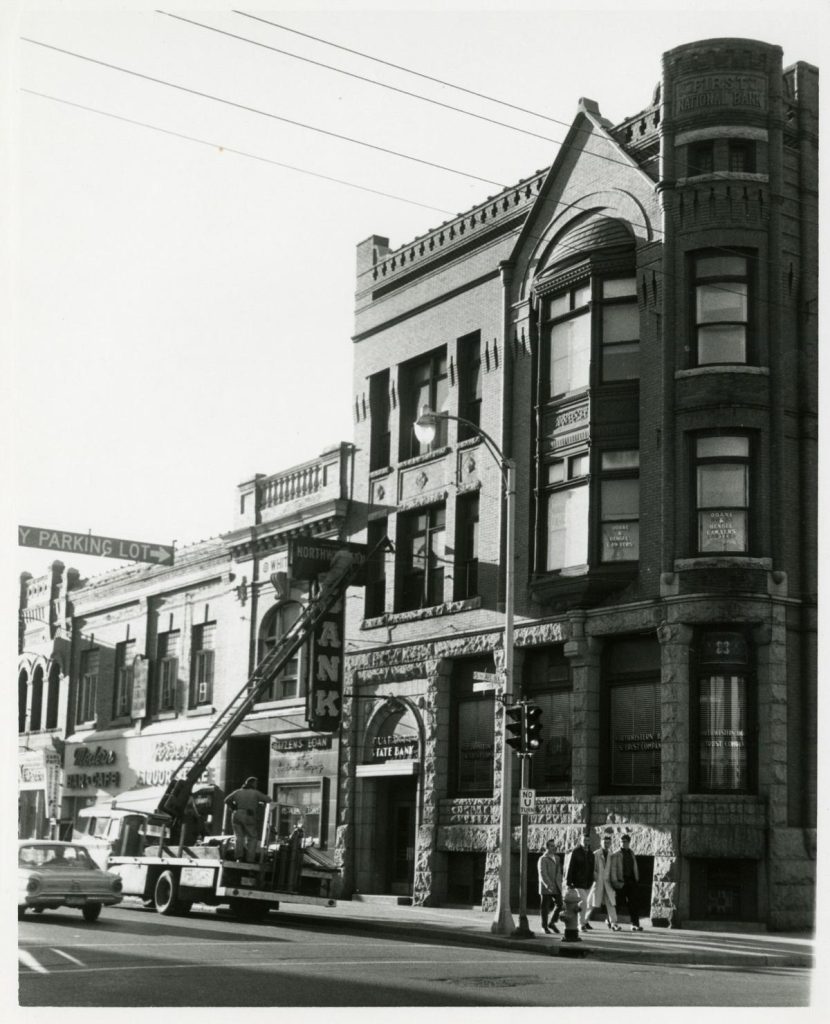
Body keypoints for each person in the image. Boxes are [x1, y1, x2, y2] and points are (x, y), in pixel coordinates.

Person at [224, 777, 271, 863]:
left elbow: (226, 800)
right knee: (252, 837)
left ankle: (239, 857)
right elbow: (268, 799)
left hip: (236, 814)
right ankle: (250, 859)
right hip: (249, 815)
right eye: (256, 783)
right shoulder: (255, 793)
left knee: (239, 836)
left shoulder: (238, 792)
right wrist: (259, 803)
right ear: (252, 783)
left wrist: (234, 807)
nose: (256, 785)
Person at [565, 828, 595, 931]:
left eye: (587, 840)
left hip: (587, 883)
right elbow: (571, 867)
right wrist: (569, 882)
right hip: (577, 882)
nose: (586, 842)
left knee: (582, 904)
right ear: (580, 840)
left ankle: (580, 922)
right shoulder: (576, 852)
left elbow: (591, 868)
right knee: (584, 902)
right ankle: (581, 924)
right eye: (584, 840)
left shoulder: (591, 854)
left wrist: (591, 881)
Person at [591, 832, 623, 930]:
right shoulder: (596, 854)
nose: (606, 844)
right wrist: (595, 878)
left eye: (608, 843)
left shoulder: (611, 855)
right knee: (590, 903)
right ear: (601, 843)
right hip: (598, 882)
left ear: (610, 844)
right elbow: (592, 869)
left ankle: (613, 923)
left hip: (608, 883)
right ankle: (582, 922)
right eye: (604, 842)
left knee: (611, 902)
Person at [612, 832, 642, 931]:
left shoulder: (631, 853)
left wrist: (636, 879)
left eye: (625, 841)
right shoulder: (616, 854)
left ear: (629, 842)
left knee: (634, 903)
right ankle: (612, 921)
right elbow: (614, 869)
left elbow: (635, 867)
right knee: (618, 903)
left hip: (631, 881)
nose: (623, 843)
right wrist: (615, 881)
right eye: (621, 841)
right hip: (621, 881)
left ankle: (635, 924)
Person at [537, 838, 563, 935]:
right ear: (547, 847)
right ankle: (544, 927)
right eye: (551, 846)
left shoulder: (557, 858)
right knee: (545, 907)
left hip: (556, 886)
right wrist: (548, 884)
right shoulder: (543, 859)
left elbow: (559, 872)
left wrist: (560, 884)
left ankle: (551, 922)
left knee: (560, 904)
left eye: (554, 846)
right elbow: (542, 873)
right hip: (546, 887)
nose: (554, 847)